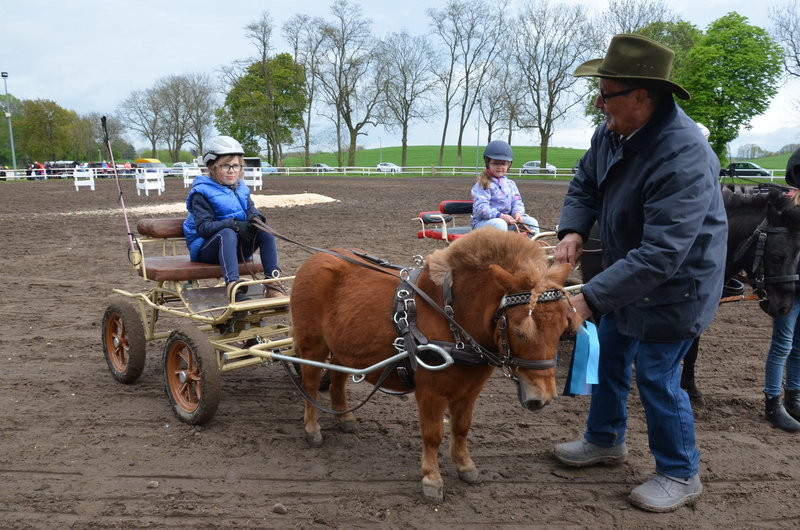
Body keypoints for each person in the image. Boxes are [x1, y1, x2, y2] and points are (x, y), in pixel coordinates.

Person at [552, 34, 727, 513]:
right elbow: (585, 181)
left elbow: (663, 253)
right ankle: (605, 439)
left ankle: (679, 471)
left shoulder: (683, 153)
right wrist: (572, 229)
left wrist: (588, 297)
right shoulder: (612, 132)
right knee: (608, 356)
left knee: (656, 376)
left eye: (605, 93)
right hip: (627, 270)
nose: (598, 103)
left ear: (642, 97)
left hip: (677, 285)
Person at [182, 135, 284, 301]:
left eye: (235, 166)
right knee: (227, 233)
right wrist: (235, 225)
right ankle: (233, 287)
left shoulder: (242, 189)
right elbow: (204, 228)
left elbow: (252, 210)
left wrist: (255, 219)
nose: (231, 170)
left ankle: (273, 284)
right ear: (212, 167)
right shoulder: (201, 192)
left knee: (266, 231)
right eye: (225, 166)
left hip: (237, 248)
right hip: (207, 250)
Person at [764, 150, 800, 432]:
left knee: (798, 347)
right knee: (782, 345)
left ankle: (794, 397)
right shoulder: (789, 209)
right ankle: (772, 402)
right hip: (789, 287)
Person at [471, 140, 539, 235]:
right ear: (488, 163)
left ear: (508, 165)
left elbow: (517, 202)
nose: (499, 167)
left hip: (507, 222)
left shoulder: (511, 184)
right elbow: (481, 208)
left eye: (503, 164)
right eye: (495, 163)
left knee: (532, 222)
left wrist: (517, 213)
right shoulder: (482, 184)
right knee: (500, 223)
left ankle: (532, 248)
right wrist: (500, 216)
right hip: (483, 223)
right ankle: (502, 249)